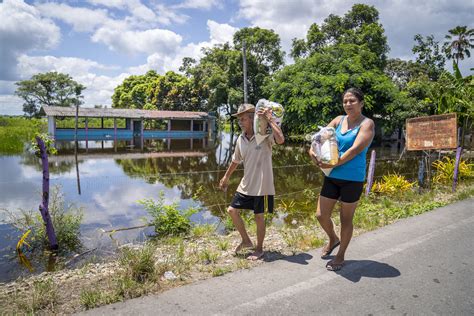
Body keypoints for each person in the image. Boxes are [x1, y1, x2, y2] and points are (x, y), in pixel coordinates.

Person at [309, 88, 375, 271]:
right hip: (332, 176)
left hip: (352, 179)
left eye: (352, 101)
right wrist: (313, 150)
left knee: (346, 219)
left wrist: (334, 163)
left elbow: (354, 150)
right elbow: (319, 138)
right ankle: (333, 238)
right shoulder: (338, 120)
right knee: (321, 215)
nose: (348, 104)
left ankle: (340, 255)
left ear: (361, 103)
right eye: (345, 101)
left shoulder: (367, 124)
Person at [219, 103, 285, 260]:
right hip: (246, 183)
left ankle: (259, 249)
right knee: (232, 211)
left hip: (262, 185)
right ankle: (246, 241)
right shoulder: (240, 139)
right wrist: (226, 177)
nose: (240, 122)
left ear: (252, 118)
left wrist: (270, 120)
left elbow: (281, 139)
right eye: (239, 120)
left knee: (259, 217)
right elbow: (235, 160)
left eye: (243, 119)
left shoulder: (264, 135)